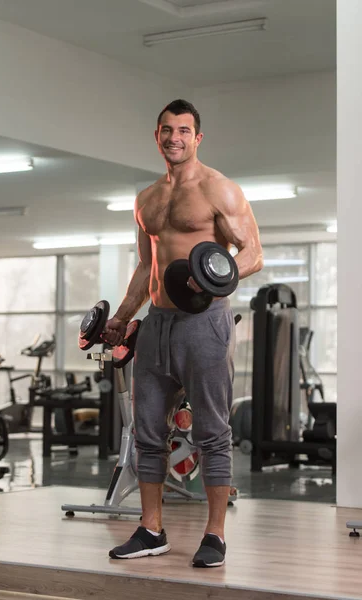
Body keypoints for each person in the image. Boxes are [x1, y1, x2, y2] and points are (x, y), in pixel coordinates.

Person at [102, 99, 263, 567]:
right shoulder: (146, 199)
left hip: (205, 321)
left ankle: (214, 535)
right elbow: (145, 265)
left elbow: (253, 252)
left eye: (184, 130)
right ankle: (151, 528)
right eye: (167, 130)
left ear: (198, 137)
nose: (175, 137)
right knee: (148, 432)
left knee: (212, 431)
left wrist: (214, 279)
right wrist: (123, 315)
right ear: (157, 136)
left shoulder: (219, 190)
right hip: (157, 324)